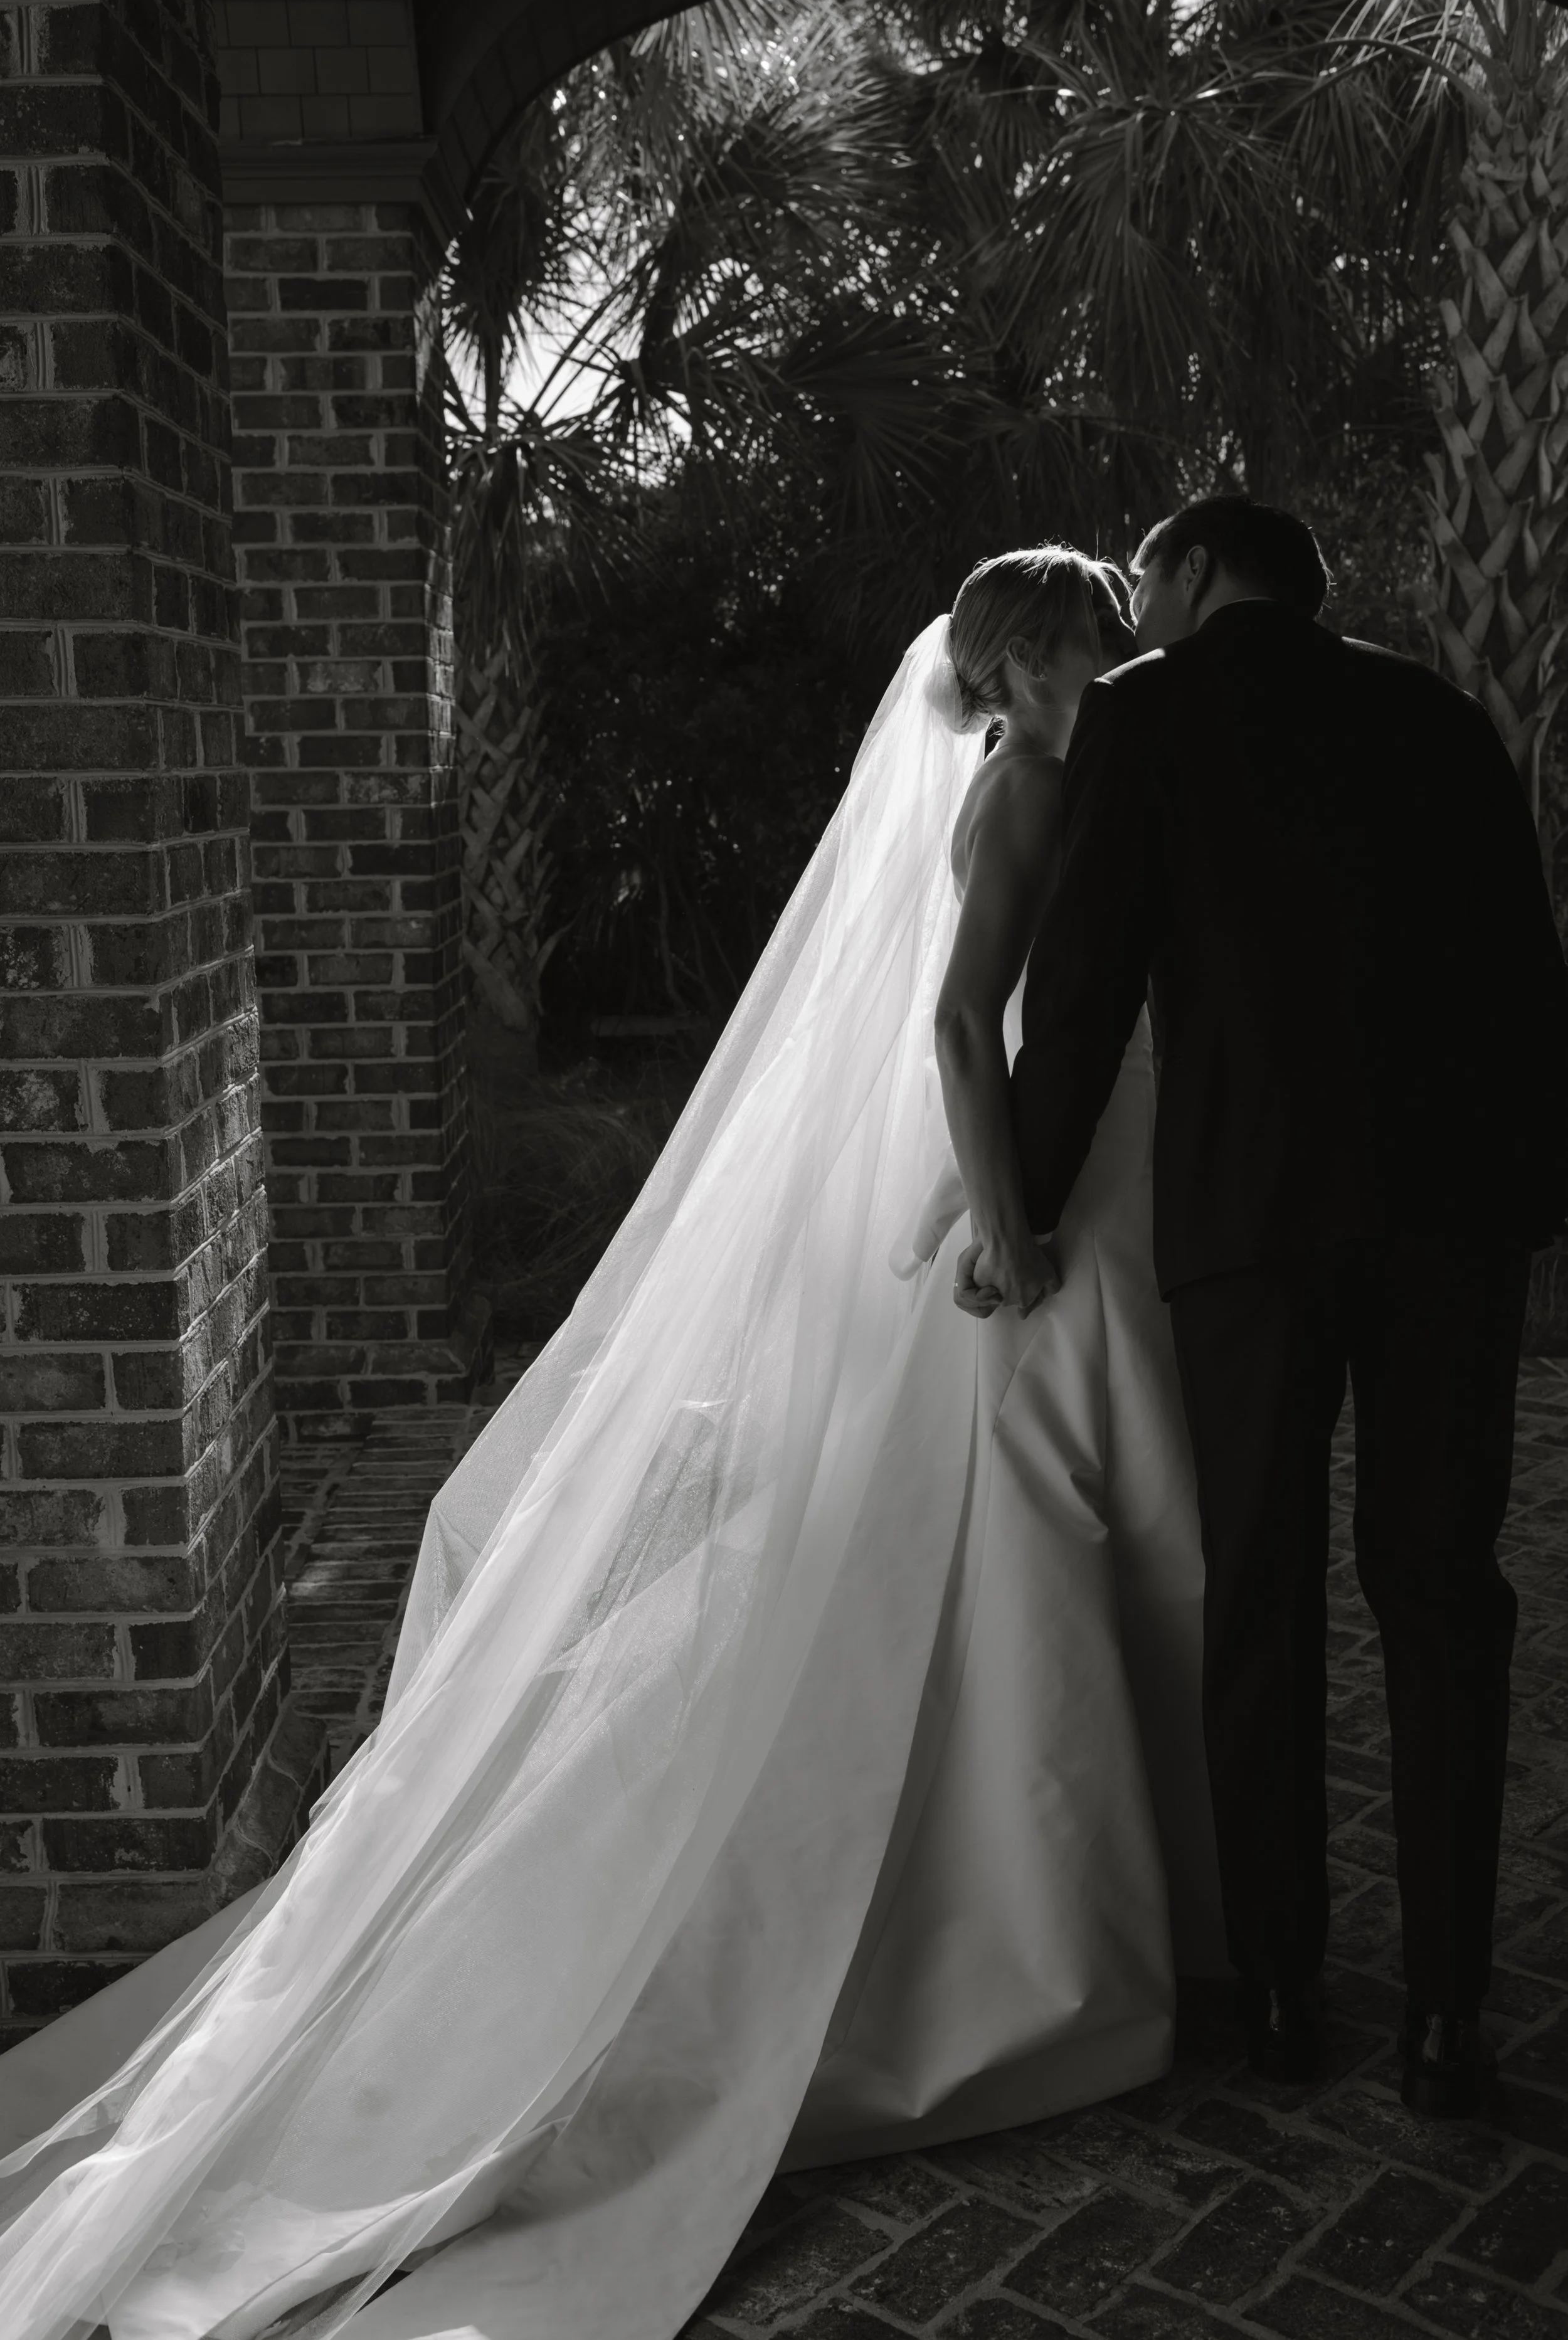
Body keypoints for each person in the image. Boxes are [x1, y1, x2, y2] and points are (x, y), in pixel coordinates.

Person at [0, 553, 1222, 2340]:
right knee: (1017, 1537)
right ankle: (1019, 1946)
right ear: (1031, 660)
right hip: (1031, 1206)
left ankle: (1069, 1915)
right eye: (1089, 641)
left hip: (1067, 1177)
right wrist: (1013, 1216)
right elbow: (963, 1024)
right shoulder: (1028, 787)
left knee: (1042, 1538)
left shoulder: (1056, 779)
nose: (1111, 664)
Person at [1000, 495, 1568, 2115]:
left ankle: (1275, 1990)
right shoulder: (1437, 715)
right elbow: (1529, 979)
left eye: (1149, 579)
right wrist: (1531, 1204)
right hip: (1447, 1224)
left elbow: (1087, 985)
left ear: (1186, 574)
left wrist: (1019, 1206)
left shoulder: (1143, 713)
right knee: (1442, 1589)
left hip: (1245, 1220)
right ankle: (1450, 2017)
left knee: (1257, 1587)